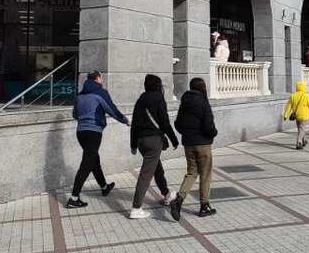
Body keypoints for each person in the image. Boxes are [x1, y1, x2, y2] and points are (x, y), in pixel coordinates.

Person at [66, 71, 129, 209]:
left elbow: (75, 114)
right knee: (87, 164)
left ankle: (104, 186)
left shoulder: (80, 94)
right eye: (101, 77)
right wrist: (124, 120)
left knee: (94, 159)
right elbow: (111, 109)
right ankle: (74, 198)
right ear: (97, 78)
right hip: (93, 132)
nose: (102, 79)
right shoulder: (101, 93)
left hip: (80, 132)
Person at [128, 74, 179, 219]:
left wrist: (133, 145)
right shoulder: (159, 99)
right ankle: (136, 208)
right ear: (157, 85)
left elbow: (134, 125)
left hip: (141, 141)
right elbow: (165, 123)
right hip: (153, 141)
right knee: (145, 175)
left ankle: (167, 194)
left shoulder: (140, 101)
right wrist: (174, 140)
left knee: (157, 168)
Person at [171, 77, 218, 220]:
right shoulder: (203, 102)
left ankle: (179, 198)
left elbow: (178, 123)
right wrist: (213, 133)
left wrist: (187, 133)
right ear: (203, 88)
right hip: (203, 144)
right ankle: (204, 205)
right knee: (205, 174)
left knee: (191, 172)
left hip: (188, 143)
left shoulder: (184, 102)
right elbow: (209, 126)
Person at [283, 81, 309, 149]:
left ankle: (304, 140)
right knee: (302, 128)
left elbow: (288, 106)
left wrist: (285, 115)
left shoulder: (293, 95)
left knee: (300, 128)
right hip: (304, 115)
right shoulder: (306, 95)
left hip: (296, 115)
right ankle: (299, 142)